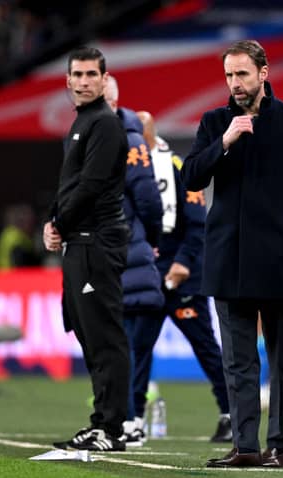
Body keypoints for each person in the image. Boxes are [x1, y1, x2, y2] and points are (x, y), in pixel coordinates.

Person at [181, 40, 283, 468]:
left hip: (277, 260)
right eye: (229, 75)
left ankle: (280, 447)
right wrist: (224, 142)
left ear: (263, 73)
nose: (235, 83)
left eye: (242, 74)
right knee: (238, 360)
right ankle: (246, 446)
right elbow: (191, 177)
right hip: (228, 259)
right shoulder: (214, 123)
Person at [121, 109, 233, 443]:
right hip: (147, 275)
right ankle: (133, 419)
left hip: (184, 276)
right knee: (137, 348)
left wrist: (182, 263)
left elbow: (198, 222)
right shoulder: (126, 171)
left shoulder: (177, 167)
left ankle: (231, 413)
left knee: (205, 347)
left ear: (149, 134)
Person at [44, 46, 130, 452]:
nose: (82, 81)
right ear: (67, 80)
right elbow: (70, 184)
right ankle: (101, 422)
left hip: (97, 242)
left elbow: (92, 185)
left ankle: (111, 429)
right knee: (89, 335)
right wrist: (52, 221)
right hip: (80, 243)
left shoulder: (105, 124)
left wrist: (60, 222)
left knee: (105, 336)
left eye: (90, 75)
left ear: (103, 79)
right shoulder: (82, 123)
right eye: (76, 75)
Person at [103, 78, 165, 445]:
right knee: (120, 344)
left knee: (121, 344)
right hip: (115, 253)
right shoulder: (93, 138)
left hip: (123, 256)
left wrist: (151, 242)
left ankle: (125, 419)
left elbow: (149, 201)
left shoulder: (129, 142)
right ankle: (122, 418)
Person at [0, 203, 40, 269]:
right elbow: (20, 260)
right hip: (12, 276)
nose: (31, 225)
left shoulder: (8, 234)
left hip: (5, 275)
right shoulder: (15, 236)